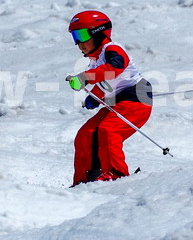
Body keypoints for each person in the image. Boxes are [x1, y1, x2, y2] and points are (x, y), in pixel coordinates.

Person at [64, 10, 152, 186]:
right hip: (119, 102)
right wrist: (95, 97)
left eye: (81, 35)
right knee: (85, 135)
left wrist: (84, 78)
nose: (79, 43)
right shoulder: (96, 60)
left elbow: (114, 68)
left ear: (98, 32)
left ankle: (116, 174)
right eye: (75, 37)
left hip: (137, 98)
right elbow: (108, 83)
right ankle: (84, 180)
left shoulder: (112, 50)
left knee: (108, 130)